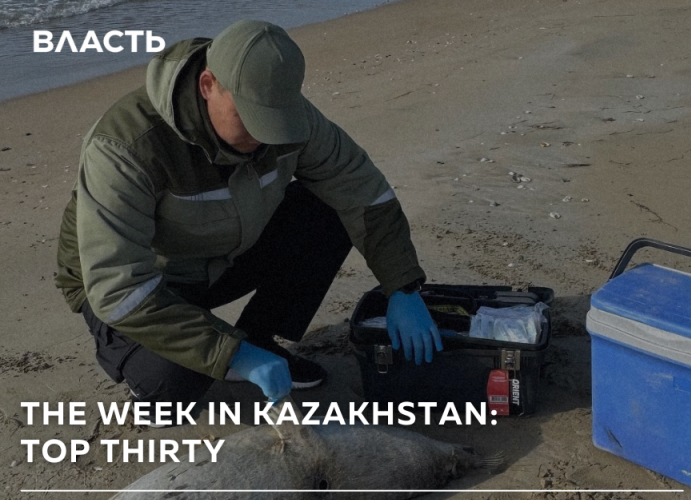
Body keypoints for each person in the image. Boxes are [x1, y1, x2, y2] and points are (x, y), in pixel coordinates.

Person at [55, 20, 442, 413]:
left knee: (329, 207)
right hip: (138, 283)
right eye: (250, 117)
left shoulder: (292, 120)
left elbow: (364, 191)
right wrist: (230, 354)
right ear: (208, 86)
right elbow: (118, 287)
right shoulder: (125, 145)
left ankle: (260, 337)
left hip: (223, 253)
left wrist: (402, 287)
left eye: (274, 119)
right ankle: (185, 361)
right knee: (171, 384)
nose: (263, 136)